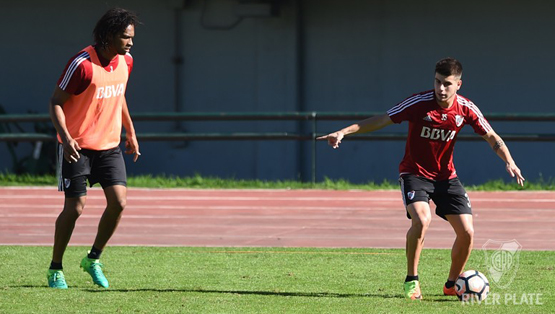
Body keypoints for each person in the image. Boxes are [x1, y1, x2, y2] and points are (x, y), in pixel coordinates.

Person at [318, 57, 525, 300]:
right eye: (437, 81)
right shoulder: (419, 103)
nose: (440, 88)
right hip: (414, 174)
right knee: (422, 219)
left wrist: (508, 160)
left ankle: (451, 285)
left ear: (459, 84)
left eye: (447, 83)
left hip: (447, 177)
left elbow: (491, 136)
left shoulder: (466, 108)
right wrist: (343, 131)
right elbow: (381, 119)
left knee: (467, 232)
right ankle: (412, 280)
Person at [46, 8, 141, 289]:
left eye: (132, 37)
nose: (131, 42)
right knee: (75, 208)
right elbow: (55, 102)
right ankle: (55, 268)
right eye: (126, 37)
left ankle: (93, 258)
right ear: (109, 36)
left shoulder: (127, 61)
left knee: (119, 202)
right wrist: (66, 136)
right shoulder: (82, 64)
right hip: (77, 147)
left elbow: (119, 95)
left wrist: (130, 132)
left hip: (109, 146)